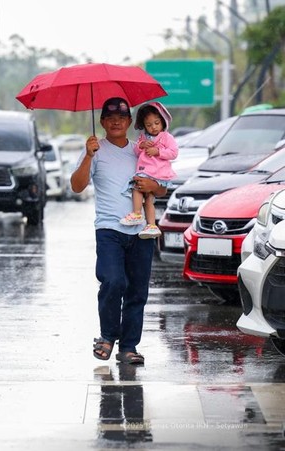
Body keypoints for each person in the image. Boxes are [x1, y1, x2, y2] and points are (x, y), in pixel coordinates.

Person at [69, 97, 168, 365]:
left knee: (137, 291)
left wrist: (153, 186)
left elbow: (162, 187)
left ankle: (128, 347)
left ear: (129, 122)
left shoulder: (141, 150)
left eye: (122, 117)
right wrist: (88, 157)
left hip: (141, 232)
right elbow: (76, 186)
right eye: (110, 117)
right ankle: (107, 336)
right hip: (109, 229)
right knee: (113, 281)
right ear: (102, 121)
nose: (116, 121)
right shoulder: (95, 150)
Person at [119, 102, 178, 239]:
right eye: (149, 125)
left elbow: (173, 153)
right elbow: (136, 151)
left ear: (163, 121)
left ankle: (137, 213)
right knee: (149, 199)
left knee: (136, 188)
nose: (153, 127)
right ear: (144, 126)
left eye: (157, 123)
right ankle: (151, 225)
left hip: (155, 173)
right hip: (147, 171)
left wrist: (158, 151)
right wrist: (141, 145)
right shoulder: (143, 137)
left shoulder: (166, 137)